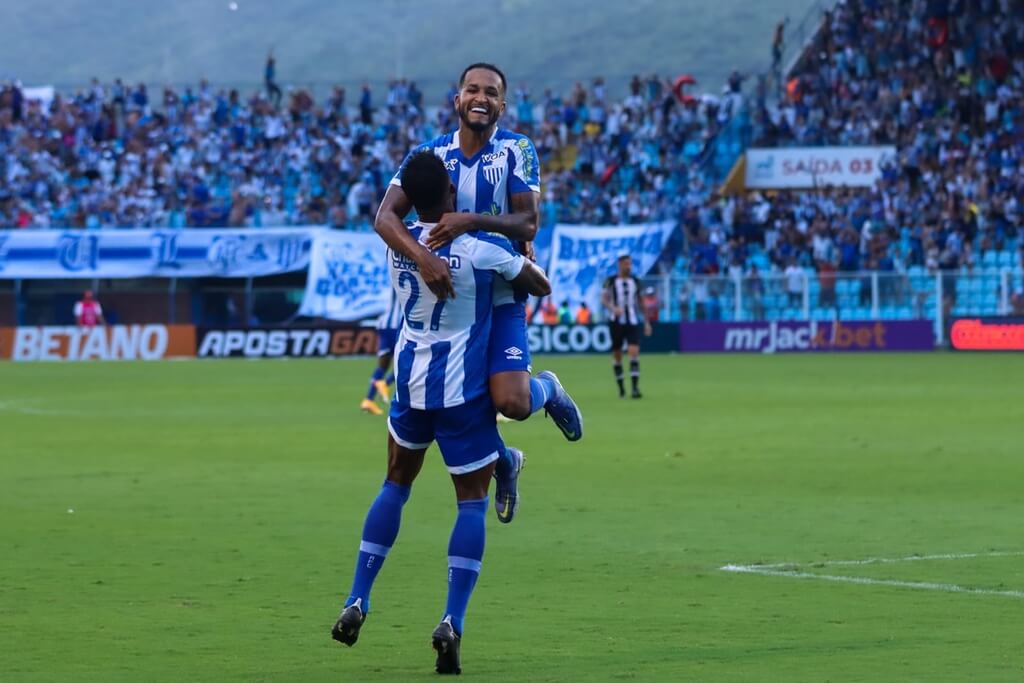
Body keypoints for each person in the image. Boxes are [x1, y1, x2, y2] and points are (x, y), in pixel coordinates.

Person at [331, 152, 553, 675]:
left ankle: (358, 599)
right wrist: (518, 259)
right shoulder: (480, 248)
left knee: (394, 487)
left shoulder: (400, 243)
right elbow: (539, 285)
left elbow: (391, 222)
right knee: (470, 506)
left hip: (409, 384)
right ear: (452, 189)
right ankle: (451, 621)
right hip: (460, 392)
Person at [374, 63, 584, 509]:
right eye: (473, 89)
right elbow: (385, 217)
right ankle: (503, 460)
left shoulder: (516, 150)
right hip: (452, 299)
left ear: (501, 106)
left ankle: (549, 389)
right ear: (457, 99)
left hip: (502, 291)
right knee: (458, 404)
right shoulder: (428, 154)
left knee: (513, 401)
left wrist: (470, 219)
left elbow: (529, 221)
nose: (480, 98)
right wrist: (424, 257)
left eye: (491, 93)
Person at [602, 253, 650, 398]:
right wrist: (613, 308)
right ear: (620, 264)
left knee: (634, 352)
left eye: (630, 264)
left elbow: (641, 302)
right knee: (617, 355)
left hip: (632, 321)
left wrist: (647, 322)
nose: (628, 266)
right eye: (626, 264)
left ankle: (635, 389)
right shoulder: (610, 281)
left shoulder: (636, 281)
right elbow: (603, 299)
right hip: (616, 322)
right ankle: (622, 389)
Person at [360, 288, 401, 416]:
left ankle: (368, 400)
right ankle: (385, 382)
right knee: (406, 363)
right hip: (398, 324)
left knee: (383, 364)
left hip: (384, 324)